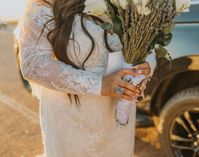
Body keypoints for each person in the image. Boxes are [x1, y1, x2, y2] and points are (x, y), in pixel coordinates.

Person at [18, 0, 156, 156]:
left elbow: (145, 41)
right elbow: (33, 64)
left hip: (116, 118)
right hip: (73, 121)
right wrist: (99, 84)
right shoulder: (44, 5)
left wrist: (146, 65)